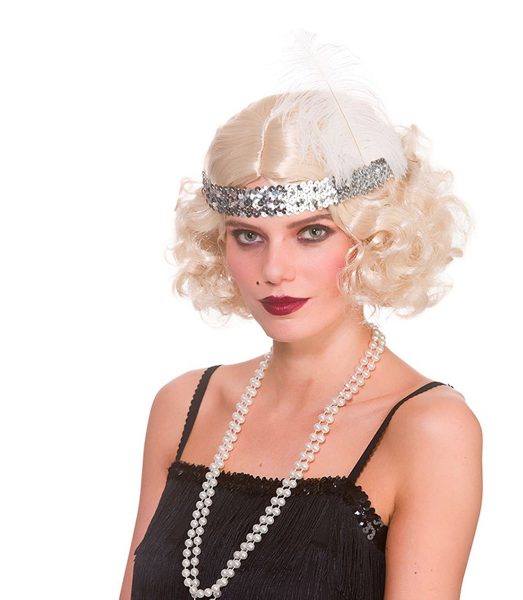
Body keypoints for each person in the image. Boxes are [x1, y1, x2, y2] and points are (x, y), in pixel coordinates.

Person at [119, 34, 482, 600]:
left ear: (374, 237)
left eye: (312, 232)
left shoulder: (426, 429)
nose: (274, 270)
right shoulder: (185, 405)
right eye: (248, 236)